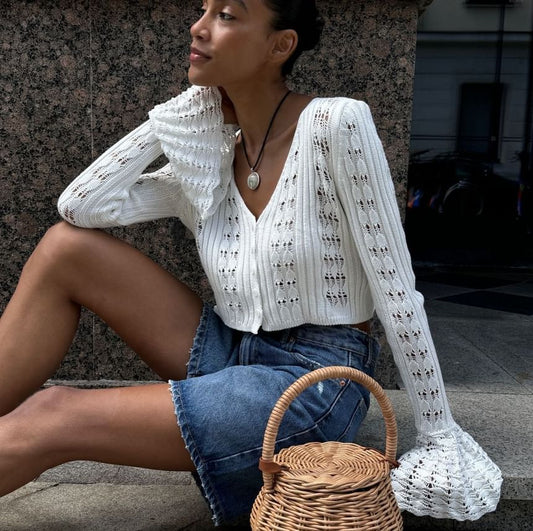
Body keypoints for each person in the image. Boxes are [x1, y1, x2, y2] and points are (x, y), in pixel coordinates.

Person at [0, 0, 502, 526]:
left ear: (280, 45)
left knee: (52, 413)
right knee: (66, 248)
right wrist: (176, 117)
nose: (199, 27)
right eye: (204, 10)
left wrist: (438, 431)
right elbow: (82, 205)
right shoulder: (211, 157)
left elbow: (397, 292)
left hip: (315, 378)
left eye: (227, 15)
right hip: (233, 348)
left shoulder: (335, 124)